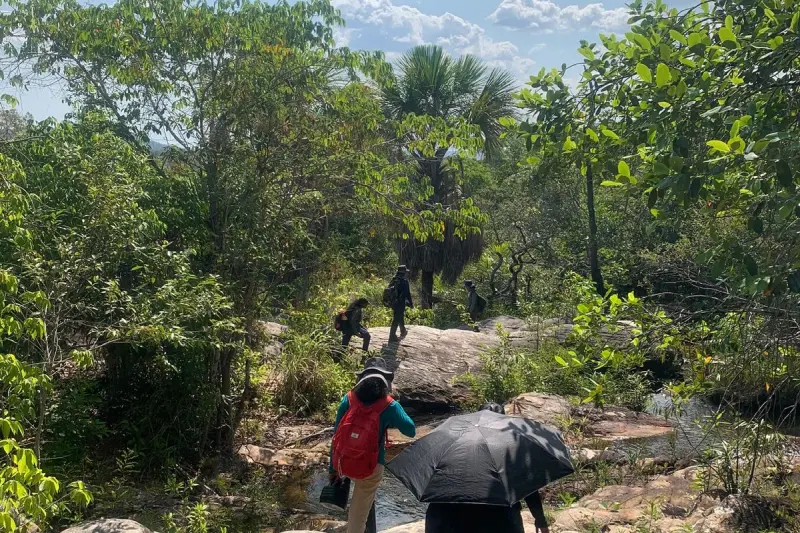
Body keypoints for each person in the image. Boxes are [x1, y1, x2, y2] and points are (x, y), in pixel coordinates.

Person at [423, 402, 550, 533]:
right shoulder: (512, 448)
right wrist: (540, 520)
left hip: (449, 518)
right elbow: (529, 488)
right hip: (500, 519)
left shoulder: (452, 445)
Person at [329, 358, 416, 533]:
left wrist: (333, 469)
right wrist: (390, 419)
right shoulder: (389, 405)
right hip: (371, 467)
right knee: (358, 517)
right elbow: (411, 430)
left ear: (362, 379)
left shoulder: (348, 399)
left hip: (344, 463)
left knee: (359, 500)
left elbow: (336, 436)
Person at [389, 265, 413, 342]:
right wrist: (411, 304)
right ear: (404, 273)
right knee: (396, 319)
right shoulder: (404, 282)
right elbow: (407, 294)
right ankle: (392, 336)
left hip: (393, 303)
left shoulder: (393, 280)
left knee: (399, 316)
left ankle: (403, 330)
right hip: (400, 302)